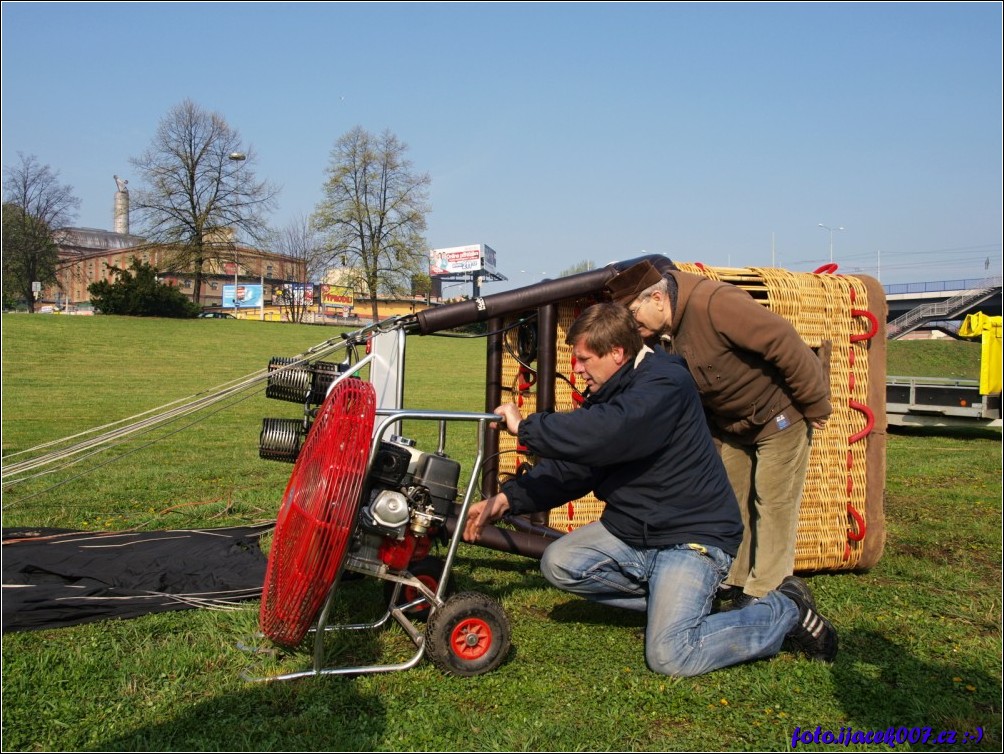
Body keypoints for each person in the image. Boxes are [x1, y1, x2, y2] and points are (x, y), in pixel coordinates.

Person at [464, 303, 837, 677]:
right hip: (633, 534)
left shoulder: (664, 384)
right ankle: (680, 605)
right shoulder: (612, 391)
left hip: (690, 538)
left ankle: (786, 610)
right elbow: (580, 466)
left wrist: (526, 427)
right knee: (559, 563)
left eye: (583, 359)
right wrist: (508, 498)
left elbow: (608, 431)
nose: (576, 369)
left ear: (616, 353)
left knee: (671, 655)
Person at [604, 260, 832, 609]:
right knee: (730, 501)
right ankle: (733, 579)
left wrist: (815, 403)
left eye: (634, 312)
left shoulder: (716, 303)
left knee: (772, 501)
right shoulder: (660, 333)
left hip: (780, 414)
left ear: (658, 299)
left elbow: (784, 342)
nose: (633, 323)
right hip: (733, 424)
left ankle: (766, 594)